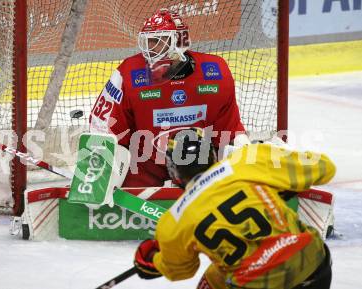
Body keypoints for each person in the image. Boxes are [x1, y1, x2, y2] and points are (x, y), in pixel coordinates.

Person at [133, 129, 334, 289]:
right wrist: (282, 184)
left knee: (214, 278)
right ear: (212, 155)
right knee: (215, 276)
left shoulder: (173, 222)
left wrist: (155, 261)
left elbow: (180, 270)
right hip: (312, 265)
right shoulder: (248, 160)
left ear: (173, 170)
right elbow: (326, 168)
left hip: (258, 284)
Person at [89, 8, 247, 187]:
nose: (151, 48)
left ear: (180, 41)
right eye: (148, 42)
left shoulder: (215, 72)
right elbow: (103, 129)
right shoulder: (128, 73)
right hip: (144, 166)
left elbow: (230, 132)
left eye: (158, 41)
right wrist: (98, 181)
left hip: (198, 168)